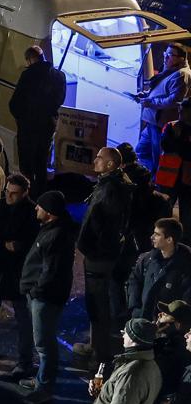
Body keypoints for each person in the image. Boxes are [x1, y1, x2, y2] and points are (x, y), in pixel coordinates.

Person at [19, 190, 79, 404]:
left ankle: (44, 388)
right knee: (43, 341)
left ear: (50, 212)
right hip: (41, 295)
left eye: (40, 206)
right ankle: (40, 380)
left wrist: (35, 291)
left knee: (44, 344)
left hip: (45, 297)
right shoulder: (52, 228)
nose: (36, 208)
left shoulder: (56, 235)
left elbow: (50, 271)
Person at [80, 147, 136, 367]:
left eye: (100, 158)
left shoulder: (111, 189)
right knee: (96, 302)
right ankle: (95, 346)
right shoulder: (111, 184)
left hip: (100, 256)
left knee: (97, 304)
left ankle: (100, 355)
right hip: (101, 254)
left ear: (111, 164)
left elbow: (107, 226)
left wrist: (93, 248)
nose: (95, 161)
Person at [0, 174, 39, 379]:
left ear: (25, 193)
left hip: (18, 275)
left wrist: (19, 246)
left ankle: (25, 361)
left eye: (14, 193)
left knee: (23, 319)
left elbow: (34, 244)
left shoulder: (31, 213)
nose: (9, 196)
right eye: (7, 192)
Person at [9, 45, 67, 184]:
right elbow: (60, 100)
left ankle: (25, 192)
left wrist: (21, 119)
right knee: (41, 163)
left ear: (29, 60)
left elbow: (15, 103)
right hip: (47, 126)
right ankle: (40, 193)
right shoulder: (59, 75)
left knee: (26, 164)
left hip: (28, 128)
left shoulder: (28, 75)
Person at [128, 218, 191, 321]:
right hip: (141, 319)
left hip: (166, 325)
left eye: (157, 234)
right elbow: (134, 280)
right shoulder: (147, 259)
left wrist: (173, 317)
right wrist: (135, 308)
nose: (152, 237)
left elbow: (187, 298)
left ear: (169, 239)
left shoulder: (186, 266)